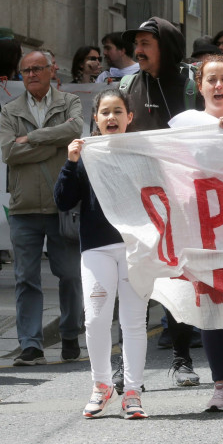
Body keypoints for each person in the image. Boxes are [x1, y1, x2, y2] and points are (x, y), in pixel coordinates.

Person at [169, 54, 223, 414]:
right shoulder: (184, 125)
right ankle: (220, 386)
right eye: (211, 80)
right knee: (211, 310)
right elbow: (167, 168)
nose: (218, 86)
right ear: (200, 86)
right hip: (201, 232)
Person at [54, 88, 149, 419]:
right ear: (94, 119)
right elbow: (63, 201)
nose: (112, 117)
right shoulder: (85, 155)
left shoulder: (142, 152)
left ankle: (133, 391)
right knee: (95, 319)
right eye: (105, 112)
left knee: (134, 321)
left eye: (118, 111)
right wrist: (70, 163)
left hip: (135, 248)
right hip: (96, 247)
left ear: (129, 117)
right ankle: (101, 385)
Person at [120, 16, 201, 385]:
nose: (137, 50)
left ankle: (182, 358)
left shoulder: (189, 85)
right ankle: (126, 364)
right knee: (134, 279)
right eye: (135, 43)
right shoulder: (126, 85)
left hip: (180, 200)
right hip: (137, 199)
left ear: (164, 47)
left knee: (179, 278)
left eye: (145, 43)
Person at [0, 50, 85, 367]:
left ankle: (70, 336)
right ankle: (31, 345)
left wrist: (33, 138)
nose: (32, 74)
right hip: (24, 209)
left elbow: (76, 130)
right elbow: (9, 152)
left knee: (70, 276)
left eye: (38, 68)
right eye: (26, 71)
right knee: (26, 279)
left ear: (52, 70)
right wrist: (54, 144)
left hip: (62, 205)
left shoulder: (69, 103)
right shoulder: (10, 110)